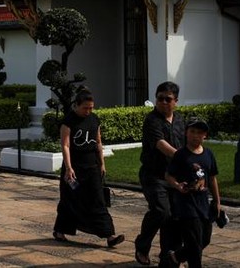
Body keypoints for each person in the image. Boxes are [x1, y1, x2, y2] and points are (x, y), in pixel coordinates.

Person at [52, 91, 125, 248]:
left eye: (91, 107)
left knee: (98, 200)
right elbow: (65, 145)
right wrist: (68, 168)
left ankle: (109, 235)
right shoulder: (68, 120)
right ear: (76, 105)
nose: (88, 111)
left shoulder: (94, 119)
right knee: (69, 200)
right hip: (74, 168)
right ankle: (60, 230)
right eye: (85, 108)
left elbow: (98, 141)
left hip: (92, 167)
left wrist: (102, 163)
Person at [135, 81, 185, 266]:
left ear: (176, 101)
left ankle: (168, 255)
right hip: (154, 175)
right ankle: (142, 245)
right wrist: (184, 159)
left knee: (175, 216)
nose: (163, 102)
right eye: (160, 98)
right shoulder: (152, 120)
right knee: (161, 211)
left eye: (168, 99)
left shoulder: (180, 120)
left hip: (175, 176)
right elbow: (161, 145)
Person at [164, 118, 221, 268]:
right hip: (186, 204)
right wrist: (177, 185)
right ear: (186, 133)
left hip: (203, 203)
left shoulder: (208, 154)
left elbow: (213, 178)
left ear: (205, 135)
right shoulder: (181, 155)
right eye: (192, 132)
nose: (196, 135)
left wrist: (217, 201)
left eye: (200, 132)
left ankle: (176, 256)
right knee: (194, 243)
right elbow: (169, 175)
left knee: (205, 239)